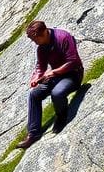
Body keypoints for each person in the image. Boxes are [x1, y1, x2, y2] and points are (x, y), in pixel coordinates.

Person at [16, 21, 84, 150]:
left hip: (73, 75)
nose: (35, 43)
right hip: (56, 76)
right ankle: (33, 133)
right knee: (34, 94)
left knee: (57, 93)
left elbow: (73, 61)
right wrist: (36, 76)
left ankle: (61, 117)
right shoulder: (41, 47)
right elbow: (40, 66)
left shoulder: (63, 37)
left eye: (37, 39)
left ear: (45, 32)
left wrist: (53, 72)